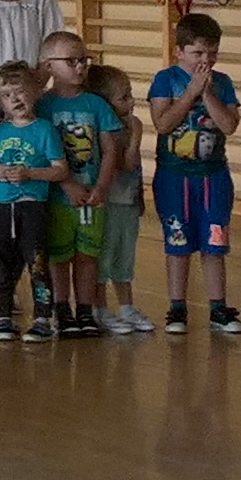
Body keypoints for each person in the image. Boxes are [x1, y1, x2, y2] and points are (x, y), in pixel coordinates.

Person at [149, 11, 241, 335]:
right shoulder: (165, 79)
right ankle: (177, 307)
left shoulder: (223, 83)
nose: (206, 60)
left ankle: (218, 307)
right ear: (180, 52)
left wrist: (206, 93)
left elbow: (228, 125)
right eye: (198, 53)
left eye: (212, 53)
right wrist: (190, 92)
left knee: (214, 243)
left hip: (213, 177)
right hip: (174, 177)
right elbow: (163, 123)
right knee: (177, 242)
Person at [36, 32, 124, 338]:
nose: (80, 66)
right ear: (48, 66)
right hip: (58, 198)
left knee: (87, 256)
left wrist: (100, 186)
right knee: (59, 257)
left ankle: (85, 310)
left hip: (91, 198)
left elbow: (110, 149)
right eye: (71, 61)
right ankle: (62, 309)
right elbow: (41, 153)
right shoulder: (43, 106)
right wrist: (67, 185)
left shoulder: (96, 105)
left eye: (83, 60)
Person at [0, 63, 65, 343]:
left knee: (37, 261)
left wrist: (30, 173)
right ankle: (3, 316)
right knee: (1, 263)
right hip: (1, 206)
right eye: (7, 95)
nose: (15, 99)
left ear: (35, 92)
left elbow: (59, 170)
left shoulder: (44, 130)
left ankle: (42, 317)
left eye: (20, 92)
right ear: (0, 101)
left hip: (31, 205)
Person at [89, 62, 147, 336]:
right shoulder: (110, 131)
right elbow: (127, 163)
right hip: (109, 204)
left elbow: (137, 170)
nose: (132, 101)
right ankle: (99, 307)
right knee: (104, 257)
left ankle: (126, 306)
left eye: (130, 94)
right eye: (124, 97)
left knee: (125, 257)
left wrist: (140, 197)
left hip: (128, 203)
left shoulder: (128, 125)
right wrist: (135, 136)